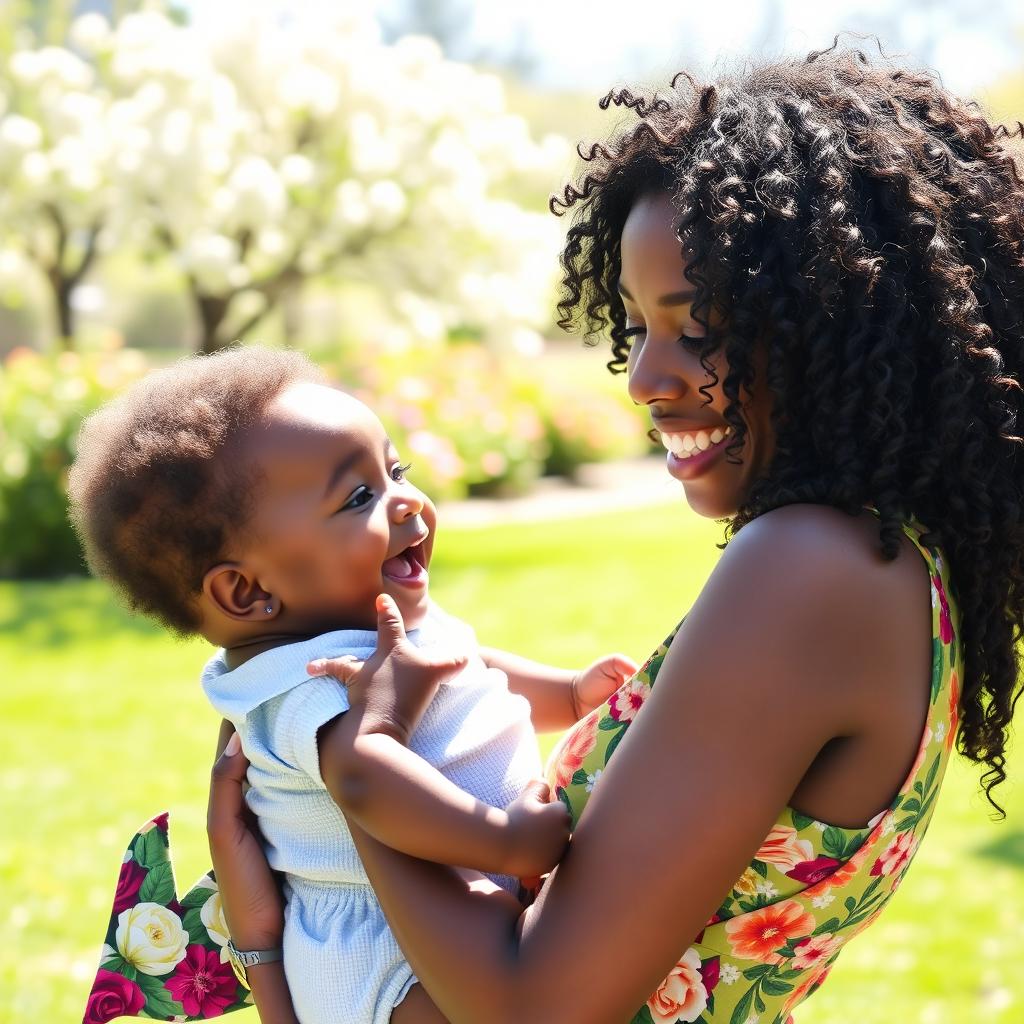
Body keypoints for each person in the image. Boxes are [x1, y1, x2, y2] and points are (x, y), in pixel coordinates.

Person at [206, 41, 1024, 1024]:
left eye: (698, 323)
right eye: (636, 325)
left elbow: (530, 1009)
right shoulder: (882, 568)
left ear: (840, 313)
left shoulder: (813, 570)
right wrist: (264, 937)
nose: (644, 377)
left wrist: (353, 773)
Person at [70, 349, 638, 1024]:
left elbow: (463, 666)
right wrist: (504, 840)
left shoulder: (377, 631)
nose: (407, 501)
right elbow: (364, 777)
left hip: (451, 902)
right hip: (383, 960)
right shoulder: (305, 682)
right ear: (247, 590)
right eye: (360, 497)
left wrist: (569, 693)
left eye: (396, 470)